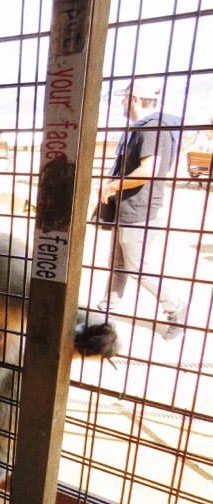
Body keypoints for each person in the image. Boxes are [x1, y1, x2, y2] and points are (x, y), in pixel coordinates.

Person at [97, 77, 188, 341]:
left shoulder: (151, 129)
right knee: (119, 265)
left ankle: (177, 310)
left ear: (134, 100)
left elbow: (148, 170)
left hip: (140, 211)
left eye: (125, 97)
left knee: (137, 268)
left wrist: (113, 186)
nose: (123, 102)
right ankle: (106, 311)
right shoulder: (144, 128)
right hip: (130, 209)